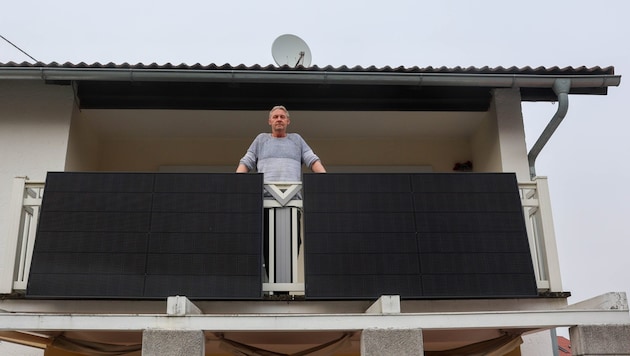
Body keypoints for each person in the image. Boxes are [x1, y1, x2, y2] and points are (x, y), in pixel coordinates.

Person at [236, 105, 326, 180]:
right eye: (275, 117)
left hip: (292, 197)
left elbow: (312, 160)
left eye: (282, 117)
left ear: (288, 121)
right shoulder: (261, 139)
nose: (279, 119)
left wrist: (326, 179)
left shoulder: (297, 139)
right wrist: (236, 181)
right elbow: (246, 162)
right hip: (265, 197)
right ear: (270, 121)